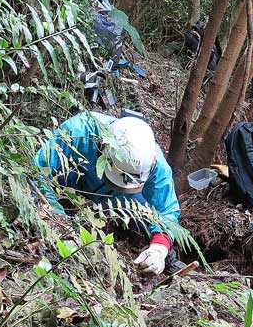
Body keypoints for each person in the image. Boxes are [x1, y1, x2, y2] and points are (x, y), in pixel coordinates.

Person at [33, 111, 181, 275]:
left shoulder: (157, 165)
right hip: (74, 178)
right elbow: (38, 172)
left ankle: (162, 259)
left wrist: (159, 249)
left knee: (147, 216)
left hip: (118, 199)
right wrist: (56, 217)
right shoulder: (79, 131)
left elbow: (166, 212)